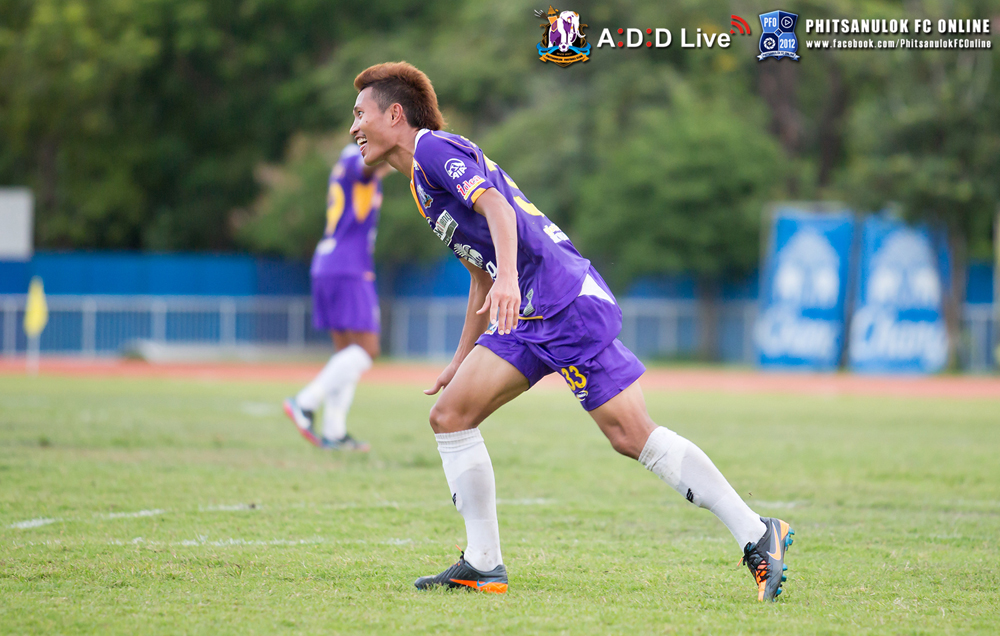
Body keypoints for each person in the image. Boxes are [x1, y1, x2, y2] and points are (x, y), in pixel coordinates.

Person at [349, 61, 794, 601]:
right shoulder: (420, 185)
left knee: (631, 435)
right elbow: (479, 272)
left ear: (395, 114)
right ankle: (483, 565)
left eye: (360, 114)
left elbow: (499, 210)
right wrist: (461, 357)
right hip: (529, 309)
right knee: (450, 415)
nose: (354, 127)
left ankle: (756, 531)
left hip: (561, 300)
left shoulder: (433, 149)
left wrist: (508, 279)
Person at [283, 143, 392, 451]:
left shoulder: (346, 161)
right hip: (349, 266)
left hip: (329, 263)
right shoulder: (358, 158)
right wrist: (391, 146)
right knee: (367, 350)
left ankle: (334, 431)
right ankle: (305, 402)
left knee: (347, 354)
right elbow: (368, 165)